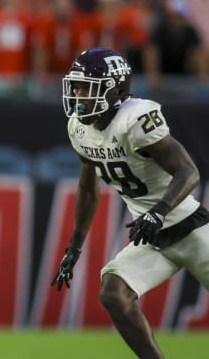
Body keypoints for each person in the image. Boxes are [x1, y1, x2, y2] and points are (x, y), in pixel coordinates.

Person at [51, 47, 209, 359]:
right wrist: (74, 247)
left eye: (87, 88)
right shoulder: (79, 128)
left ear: (116, 90)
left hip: (190, 229)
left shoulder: (135, 118)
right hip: (150, 238)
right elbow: (87, 189)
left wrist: (158, 212)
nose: (79, 95)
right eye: (77, 87)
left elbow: (188, 171)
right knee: (113, 293)